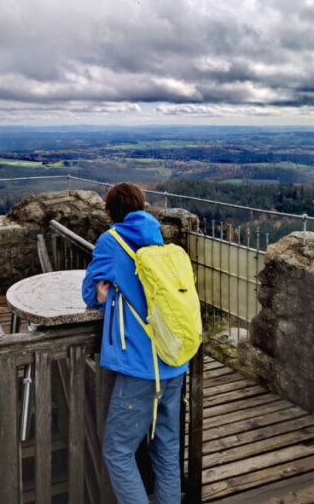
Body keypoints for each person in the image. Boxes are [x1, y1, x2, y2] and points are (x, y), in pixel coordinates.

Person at [81, 183, 188, 504]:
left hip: (140, 367)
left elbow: (89, 294)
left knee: (117, 451)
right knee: (166, 448)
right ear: (141, 207)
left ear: (110, 211)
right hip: (173, 359)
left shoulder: (111, 242)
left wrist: (105, 293)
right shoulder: (159, 240)